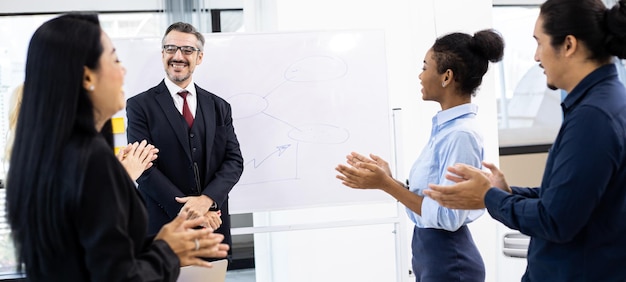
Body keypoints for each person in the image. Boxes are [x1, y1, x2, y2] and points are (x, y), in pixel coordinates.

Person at [6, 13, 229, 281]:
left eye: (187, 49)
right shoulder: (91, 159)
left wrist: (163, 241)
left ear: (199, 56)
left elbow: (89, 255)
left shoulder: (50, 153)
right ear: (88, 77)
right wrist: (167, 249)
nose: (123, 70)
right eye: (114, 59)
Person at [424, 0, 626, 281]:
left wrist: (488, 197)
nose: (536, 57)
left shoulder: (595, 116)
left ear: (568, 45)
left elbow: (555, 220)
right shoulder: (602, 103)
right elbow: (566, 199)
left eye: (539, 43)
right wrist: (505, 193)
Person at [336, 29, 504, 281]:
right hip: (432, 257)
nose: (420, 75)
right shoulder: (446, 129)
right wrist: (390, 180)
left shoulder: (461, 134)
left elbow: (448, 216)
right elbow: (435, 201)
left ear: (447, 77)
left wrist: (386, 185)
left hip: (449, 263)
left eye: (425, 67)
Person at [126, 22, 244, 253]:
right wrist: (190, 210)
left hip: (213, 226)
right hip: (162, 227)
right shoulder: (140, 106)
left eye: (187, 50)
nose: (178, 56)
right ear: (162, 55)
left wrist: (207, 200)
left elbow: (234, 161)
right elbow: (143, 168)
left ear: (199, 57)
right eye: (171, 49)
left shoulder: (219, 106)